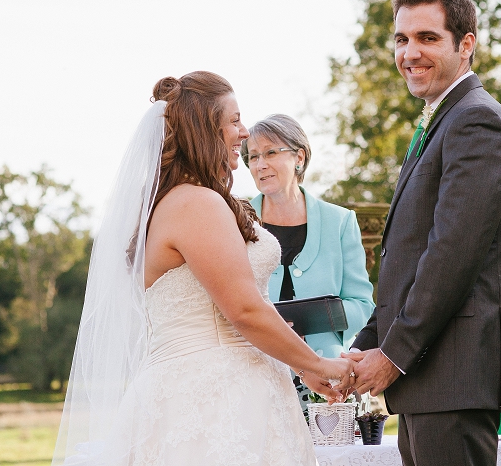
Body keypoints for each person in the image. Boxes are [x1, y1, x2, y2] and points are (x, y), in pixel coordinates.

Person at [53, 71, 355, 466]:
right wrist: (317, 364)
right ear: (203, 129)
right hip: (213, 400)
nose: (244, 132)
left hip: (229, 388)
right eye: (233, 120)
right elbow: (245, 310)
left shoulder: (188, 201)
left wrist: (299, 366)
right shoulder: (196, 204)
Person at [345, 0, 501, 466]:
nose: (409, 53)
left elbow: (451, 255)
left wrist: (393, 355)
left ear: (466, 44)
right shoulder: (441, 120)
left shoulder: (476, 122)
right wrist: (363, 349)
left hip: (453, 376)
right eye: (401, 40)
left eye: (426, 38)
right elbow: (407, 259)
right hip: (430, 381)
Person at [240, 114, 375, 406]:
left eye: (271, 153)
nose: (260, 164)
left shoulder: (339, 221)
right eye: (252, 157)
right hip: (254, 377)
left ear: (299, 157)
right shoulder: (236, 221)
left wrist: (315, 318)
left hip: (328, 382)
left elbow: (363, 307)